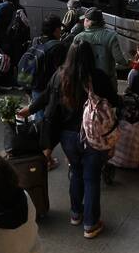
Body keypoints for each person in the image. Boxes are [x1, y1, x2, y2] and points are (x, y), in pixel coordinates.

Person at [17, 41, 116, 239]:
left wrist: (30, 109)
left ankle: (76, 214)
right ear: (91, 57)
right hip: (92, 136)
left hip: (67, 137)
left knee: (76, 172)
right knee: (91, 178)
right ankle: (91, 224)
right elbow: (113, 100)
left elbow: (46, 97)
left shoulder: (60, 75)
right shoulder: (98, 77)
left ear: (69, 56)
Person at [73, 7, 129, 90]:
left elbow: (74, 61)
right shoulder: (111, 36)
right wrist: (130, 62)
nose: (83, 22)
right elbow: (120, 59)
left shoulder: (78, 37)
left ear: (89, 21)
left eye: (84, 20)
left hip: (87, 83)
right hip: (107, 82)